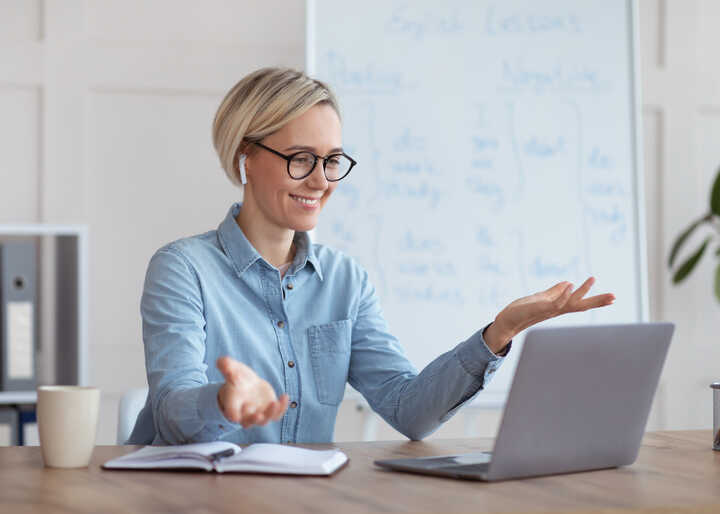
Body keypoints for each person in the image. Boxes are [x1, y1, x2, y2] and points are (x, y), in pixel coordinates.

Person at [127, 67, 615, 445]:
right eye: (300, 159)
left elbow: (408, 410)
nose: (320, 180)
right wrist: (224, 402)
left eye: (332, 160)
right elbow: (172, 411)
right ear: (246, 158)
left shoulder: (346, 281)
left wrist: (500, 331)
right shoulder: (183, 269)